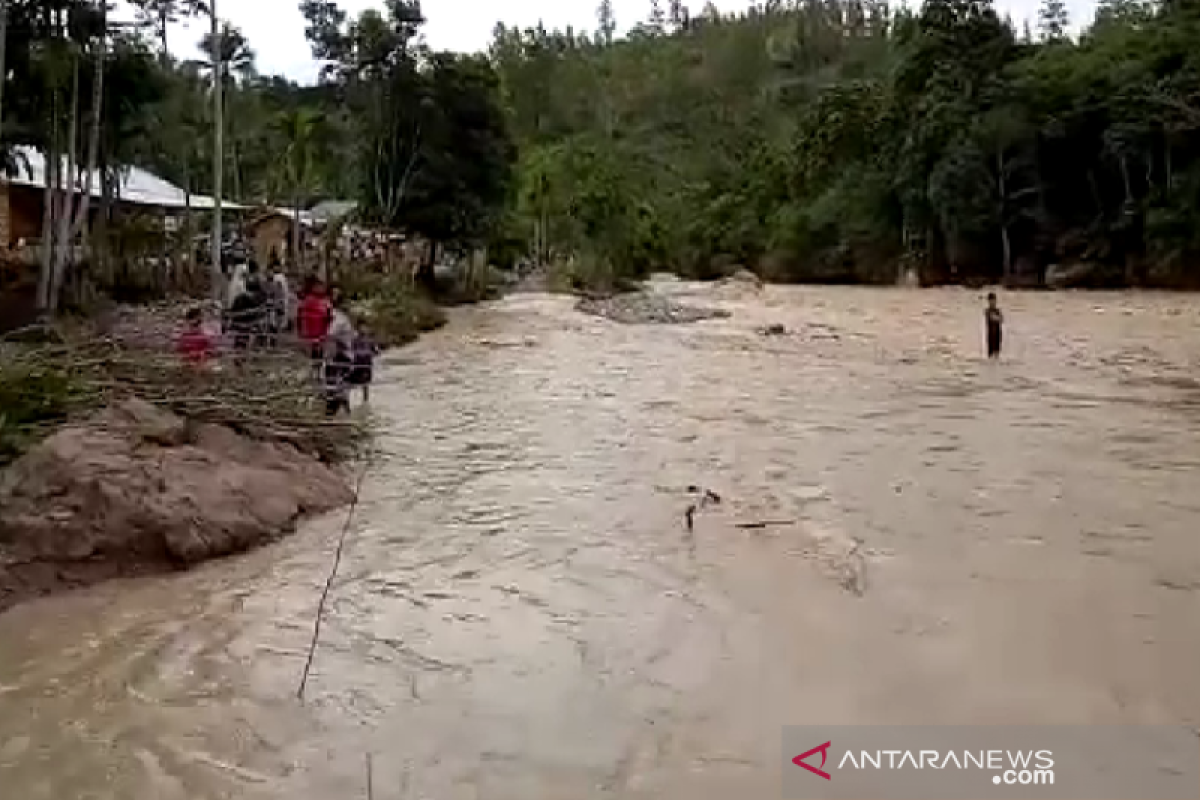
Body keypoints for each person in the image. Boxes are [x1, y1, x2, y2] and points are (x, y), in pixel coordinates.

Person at [298, 276, 332, 377]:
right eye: (318, 286)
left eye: (322, 286)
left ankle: (318, 371)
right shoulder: (308, 300)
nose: (321, 288)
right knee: (314, 352)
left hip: (322, 331)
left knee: (320, 352)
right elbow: (301, 317)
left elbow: (329, 315)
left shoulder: (325, 300)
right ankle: (314, 372)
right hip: (312, 332)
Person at [229, 276, 268, 356]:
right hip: (248, 326)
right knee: (244, 344)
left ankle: (241, 358)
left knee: (241, 344)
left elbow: (233, 312)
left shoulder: (240, 297)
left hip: (242, 326)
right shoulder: (257, 298)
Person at [348, 316, 380, 404]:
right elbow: (350, 350)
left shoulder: (370, 339)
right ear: (357, 328)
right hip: (357, 364)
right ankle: (346, 402)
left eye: (365, 327)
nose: (363, 329)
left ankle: (365, 403)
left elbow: (376, 351)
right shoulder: (354, 339)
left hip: (366, 365)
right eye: (361, 327)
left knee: (365, 386)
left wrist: (373, 352)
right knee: (350, 384)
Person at [985, 291, 1004, 359]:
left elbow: (1002, 320)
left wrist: (998, 318)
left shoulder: (998, 310)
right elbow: (991, 317)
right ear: (988, 301)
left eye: (994, 300)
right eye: (991, 300)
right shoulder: (987, 310)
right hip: (990, 335)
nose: (993, 302)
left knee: (997, 354)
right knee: (990, 355)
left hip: (998, 334)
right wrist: (997, 318)